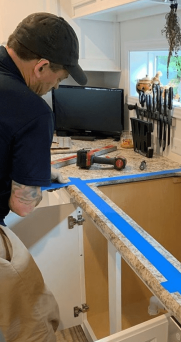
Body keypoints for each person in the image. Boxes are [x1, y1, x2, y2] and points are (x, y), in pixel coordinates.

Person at [0, 12, 87, 342]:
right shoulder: (32, 110)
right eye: (59, 77)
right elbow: (22, 205)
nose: (55, 86)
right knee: (38, 320)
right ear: (40, 67)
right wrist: (35, 180)